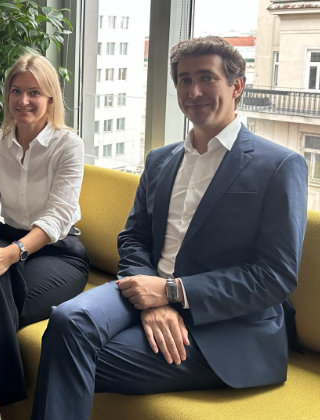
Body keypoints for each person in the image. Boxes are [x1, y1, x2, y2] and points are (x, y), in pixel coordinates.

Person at [31, 36, 308, 420]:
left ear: (236, 86)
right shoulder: (160, 160)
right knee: (67, 321)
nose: (193, 91)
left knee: (66, 352)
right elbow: (133, 237)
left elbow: (275, 276)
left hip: (227, 326)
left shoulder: (279, 165)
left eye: (207, 78)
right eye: (184, 80)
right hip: (146, 289)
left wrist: (171, 292)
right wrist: (153, 299)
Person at [0, 53, 90, 420]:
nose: (23, 101)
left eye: (34, 93)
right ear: (7, 94)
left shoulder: (68, 145)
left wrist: (8, 255)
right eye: (16, 91)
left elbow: (58, 217)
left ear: (50, 98)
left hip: (58, 251)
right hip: (6, 237)